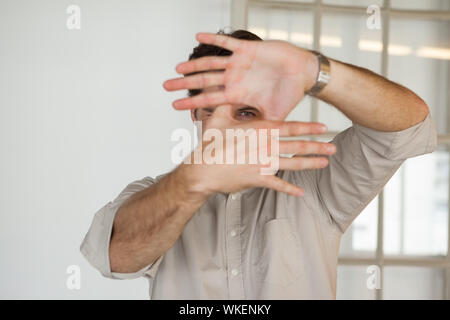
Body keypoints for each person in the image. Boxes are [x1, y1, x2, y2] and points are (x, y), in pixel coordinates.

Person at [80, 29, 437, 299]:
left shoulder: (313, 184)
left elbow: (408, 126)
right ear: (196, 114)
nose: (231, 126)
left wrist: (315, 72)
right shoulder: (153, 195)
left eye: (247, 112)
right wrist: (193, 180)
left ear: (274, 115)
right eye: (215, 109)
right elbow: (115, 256)